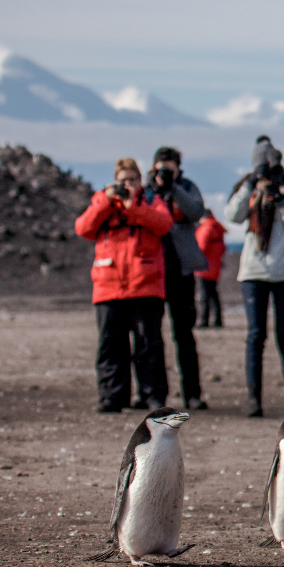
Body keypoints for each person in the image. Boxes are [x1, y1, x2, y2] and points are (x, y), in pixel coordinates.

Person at [74, 158, 173, 412]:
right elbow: (83, 228)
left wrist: (132, 207)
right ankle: (112, 398)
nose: (127, 185)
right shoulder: (104, 202)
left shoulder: (150, 201)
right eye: (122, 180)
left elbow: (164, 225)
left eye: (132, 180)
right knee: (110, 345)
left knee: (148, 344)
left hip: (145, 285)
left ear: (140, 181)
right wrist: (107, 201)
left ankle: (152, 397)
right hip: (109, 286)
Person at [226, 137, 284, 417]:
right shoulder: (247, 190)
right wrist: (251, 185)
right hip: (254, 272)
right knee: (255, 336)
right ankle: (254, 399)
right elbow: (233, 215)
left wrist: (282, 199)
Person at [146, 147, 209, 411]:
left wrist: (174, 188)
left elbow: (196, 212)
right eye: (161, 167)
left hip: (181, 270)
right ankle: (154, 394)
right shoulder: (146, 190)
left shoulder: (187, 187)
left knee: (184, 334)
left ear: (178, 169)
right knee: (150, 336)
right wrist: (157, 187)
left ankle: (191, 394)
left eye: (169, 168)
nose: (164, 172)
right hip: (153, 271)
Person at [194, 209, 227, 327]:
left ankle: (203, 320)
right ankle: (217, 320)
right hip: (214, 267)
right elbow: (222, 248)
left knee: (203, 295)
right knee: (213, 294)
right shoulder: (217, 228)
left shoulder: (206, 228)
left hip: (204, 268)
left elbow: (200, 248)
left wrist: (193, 261)